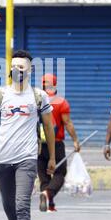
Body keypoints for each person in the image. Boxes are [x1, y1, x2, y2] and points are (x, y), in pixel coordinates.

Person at [0, 50, 56, 220]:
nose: (17, 70)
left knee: (21, 207)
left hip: (26, 158)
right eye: (13, 67)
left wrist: (52, 157)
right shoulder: (0, 94)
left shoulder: (39, 96)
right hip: (2, 158)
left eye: (21, 67)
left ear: (30, 70)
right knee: (9, 207)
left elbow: (49, 127)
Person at [38, 73, 80, 212]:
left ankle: (49, 205)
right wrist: (75, 140)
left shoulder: (35, 101)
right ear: (55, 85)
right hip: (55, 143)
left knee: (44, 175)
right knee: (59, 173)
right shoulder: (61, 102)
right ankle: (48, 194)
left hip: (38, 144)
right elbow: (67, 123)